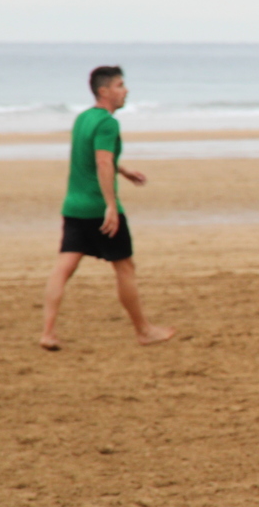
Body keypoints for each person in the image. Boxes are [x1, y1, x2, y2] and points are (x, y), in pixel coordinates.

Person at [39, 66, 175, 351]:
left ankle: (48, 333)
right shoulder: (108, 123)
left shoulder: (83, 118)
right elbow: (101, 162)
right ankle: (144, 331)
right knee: (125, 267)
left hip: (73, 205)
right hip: (98, 207)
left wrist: (123, 170)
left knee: (63, 269)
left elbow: (95, 157)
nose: (126, 91)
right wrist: (111, 206)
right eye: (120, 85)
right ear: (104, 91)